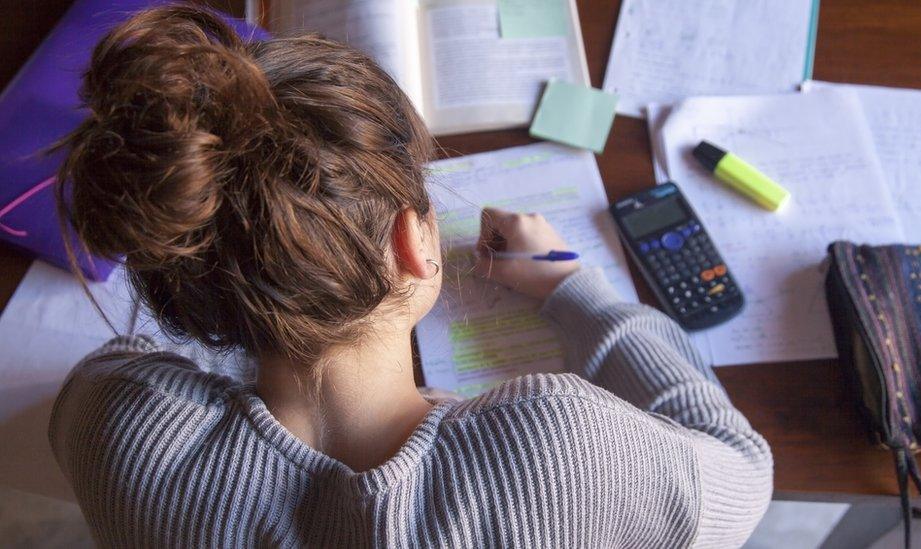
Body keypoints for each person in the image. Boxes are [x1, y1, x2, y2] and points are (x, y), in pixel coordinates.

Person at [49, 6, 772, 548]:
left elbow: (133, 363)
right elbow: (743, 472)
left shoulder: (121, 428)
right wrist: (567, 282)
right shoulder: (561, 450)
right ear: (414, 241)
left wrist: (252, 288)